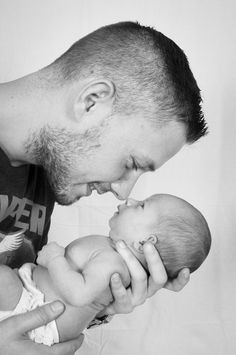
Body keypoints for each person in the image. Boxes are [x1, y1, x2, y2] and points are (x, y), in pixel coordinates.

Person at [0, 21, 208, 354]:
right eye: (132, 163)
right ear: (92, 101)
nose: (124, 194)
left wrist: (97, 305)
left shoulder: (44, 173)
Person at [0, 194, 211, 346]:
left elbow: (78, 294)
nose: (130, 200)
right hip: (35, 306)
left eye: (142, 206)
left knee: (3, 277)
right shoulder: (112, 255)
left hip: (36, 312)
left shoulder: (113, 262)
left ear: (144, 242)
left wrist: (55, 259)